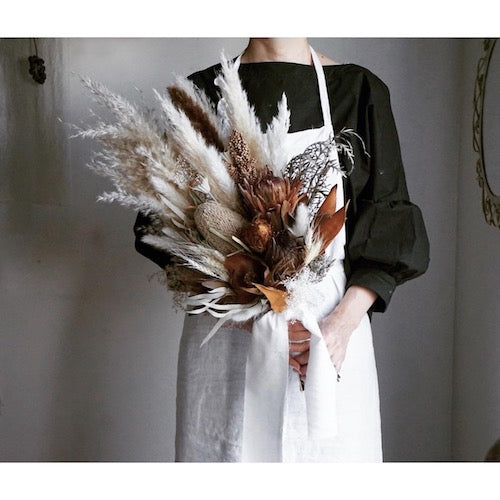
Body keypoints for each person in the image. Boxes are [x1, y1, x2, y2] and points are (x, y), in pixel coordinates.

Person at [133, 38, 430, 462]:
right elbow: (163, 229)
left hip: (330, 334)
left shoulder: (359, 90)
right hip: (226, 338)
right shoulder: (197, 94)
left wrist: (338, 329)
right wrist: (253, 315)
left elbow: (388, 220)